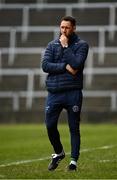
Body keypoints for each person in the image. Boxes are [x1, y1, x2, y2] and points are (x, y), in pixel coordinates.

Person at [42, 16, 89, 171]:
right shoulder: (51, 45)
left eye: (67, 27)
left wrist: (66, 47)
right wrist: (64, 66)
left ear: (74, 28)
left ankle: (73, 162)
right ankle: (59, 152)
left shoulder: (82, 45)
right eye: (62, 27)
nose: (64, 30)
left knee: (73, 128)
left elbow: (76, 64)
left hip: (73, 93)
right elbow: (45, 65)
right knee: (49, 125)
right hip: (54, 93)